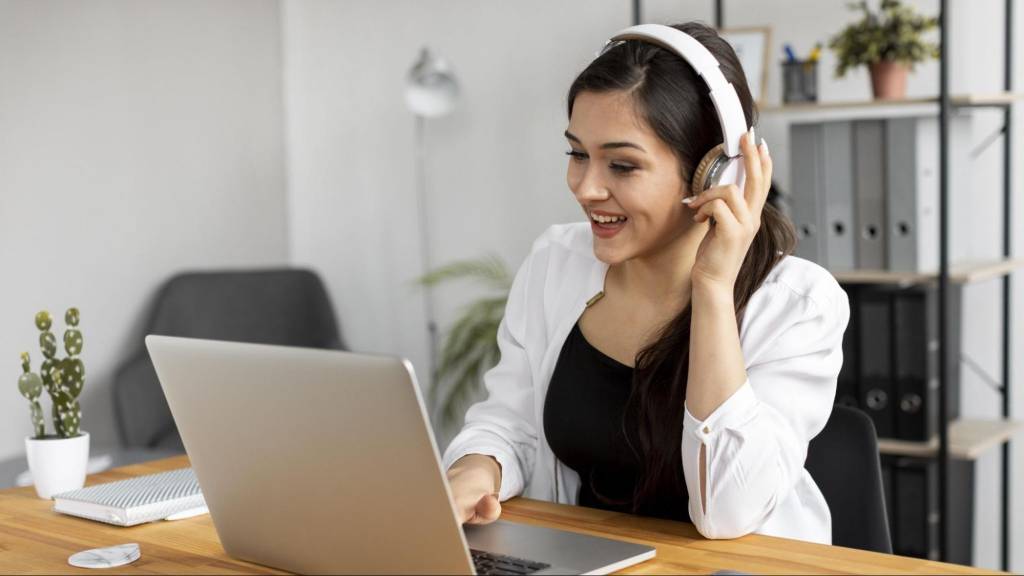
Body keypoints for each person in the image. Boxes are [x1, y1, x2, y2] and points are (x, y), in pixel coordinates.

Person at [441, 21, 849, 544]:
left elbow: (729, 510)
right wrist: (478, 468)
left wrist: (713, 289)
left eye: (623, 165)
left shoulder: (799, 305)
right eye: (577, 154)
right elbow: (509, 421)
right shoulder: (556, 264)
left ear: (716, 173)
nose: (587, 188)